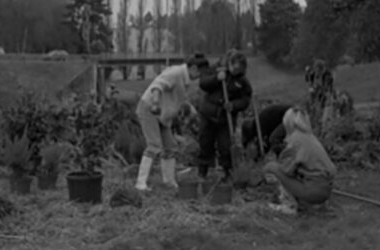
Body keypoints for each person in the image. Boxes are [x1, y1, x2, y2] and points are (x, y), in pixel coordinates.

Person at [135, 53, 209, 192]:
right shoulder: (176, 73)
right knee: (154, 145)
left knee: (170, 146)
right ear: (193, 68)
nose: (200, 77)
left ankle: (169, 182)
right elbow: (157, 86)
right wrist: (155, 103)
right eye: (200, 73)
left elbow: (176, 96)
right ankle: (140, 184)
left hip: (163, 116)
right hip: (150, 108)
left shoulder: (184, 78)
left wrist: (190, 109)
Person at [263, 106, 337, 215]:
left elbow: (286, 170)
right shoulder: (310, 136)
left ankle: (289, 205)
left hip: (314, 190)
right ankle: (309, 204)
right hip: (325, 188)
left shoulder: (295, 140)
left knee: (271, 168)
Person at [197, 49, 253, 182]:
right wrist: (216, 78)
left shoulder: (242, 81)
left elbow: (245, 99)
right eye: (234, 66)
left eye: (239, 68)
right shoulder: (216, 69)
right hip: (208, 113)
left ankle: (227, 173)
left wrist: (234, 105)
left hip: (225, 118)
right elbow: (203, 83)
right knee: (205, 143)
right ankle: (202, 172)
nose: (235, 69)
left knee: (225, 146)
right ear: (230, 63)